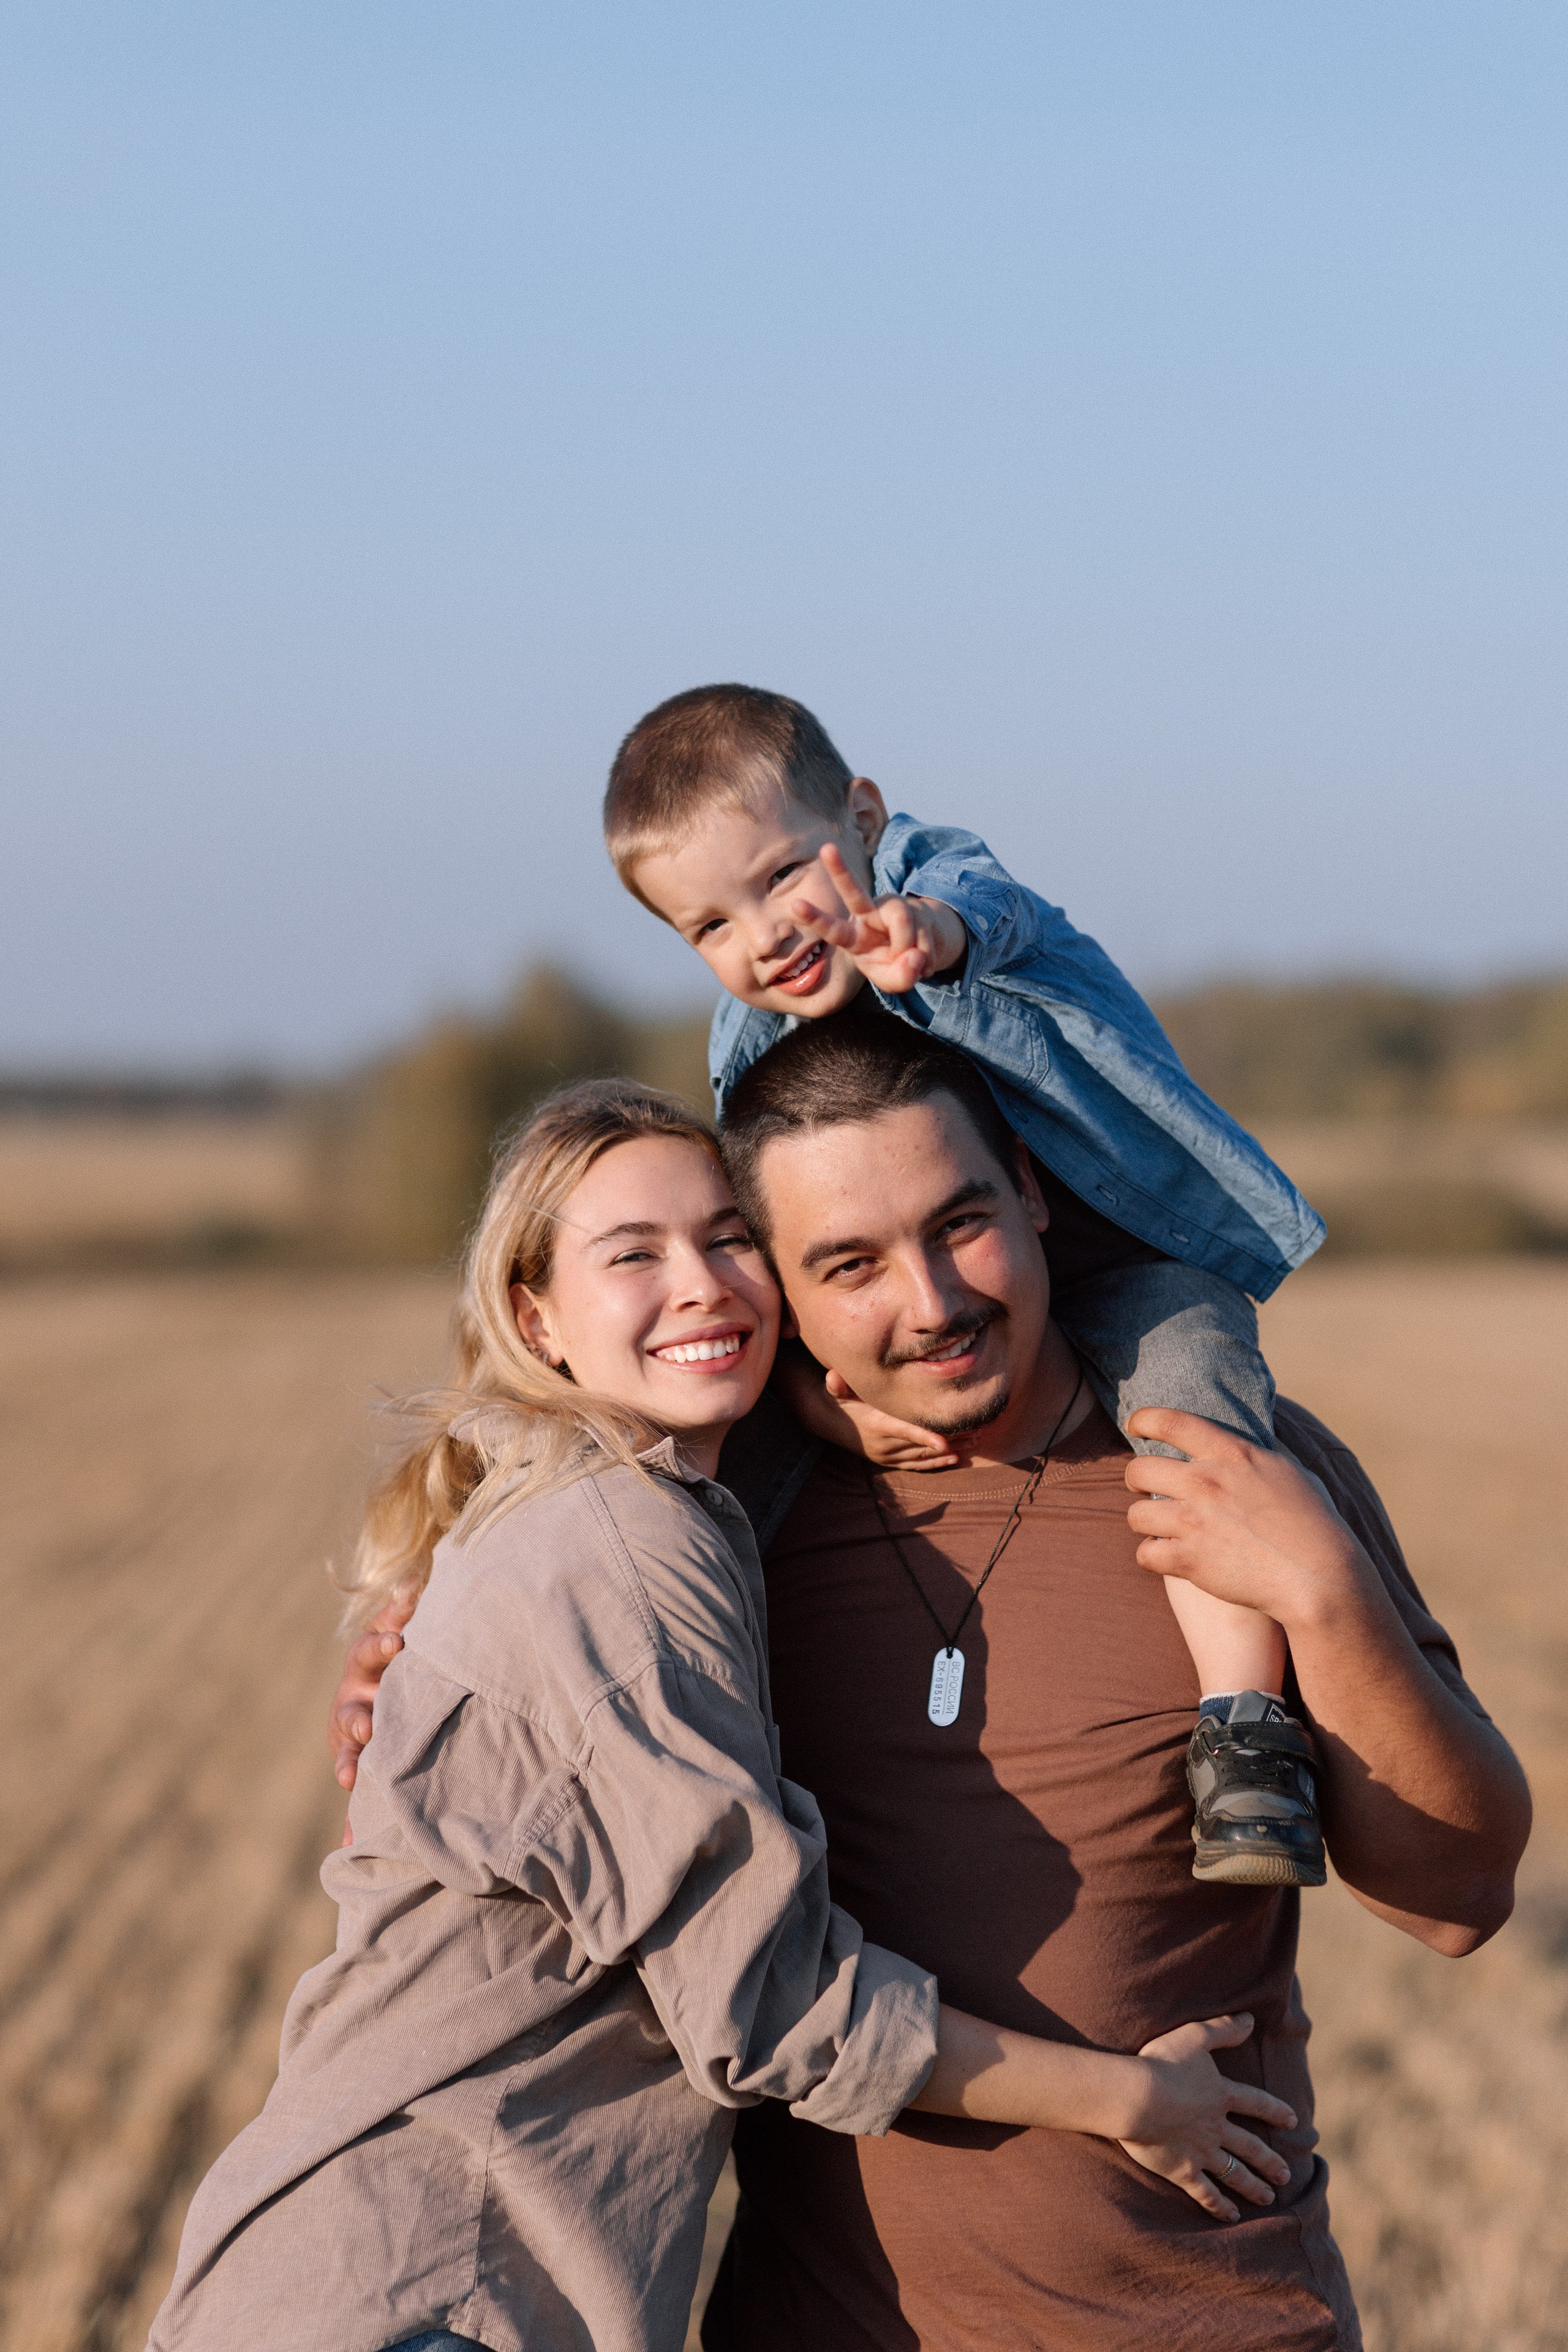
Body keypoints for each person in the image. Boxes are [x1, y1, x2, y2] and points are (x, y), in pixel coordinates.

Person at [334, 1019, 1529, 2350]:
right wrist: (412, 1646)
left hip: (1217, 2319)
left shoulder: (1232, 1473)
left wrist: (1322, 1591)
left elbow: (1457, 1899)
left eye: (959, 1224)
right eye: (848, 1263)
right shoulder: (718, 1533)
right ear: (776, 1292)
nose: (932, 1303)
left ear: (1028, 1188)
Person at [151, 1079, 1294, 2352]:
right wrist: (1132, 2100)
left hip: (389, 2280)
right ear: (536, 1316)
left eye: (726, 1238)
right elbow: (774, 2007)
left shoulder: (614, 1507)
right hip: (435, 2291)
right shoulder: (622, 1548)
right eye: (632, 1254)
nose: (698, 1283)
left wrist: (821, 1408)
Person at [600, 682, 1330, 1887]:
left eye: (784, 875)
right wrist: (824, 1396)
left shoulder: (934, 888)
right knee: (752, 1417)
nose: (765, 935)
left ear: (866, 817)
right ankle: (673, 1726)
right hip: (947, 1303)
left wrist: (928, 935)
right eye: (709, 928)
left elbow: (986, 902)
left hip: (1117, 1256)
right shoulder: (749, 1044)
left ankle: (1244, 1731)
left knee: (1193, 1406)